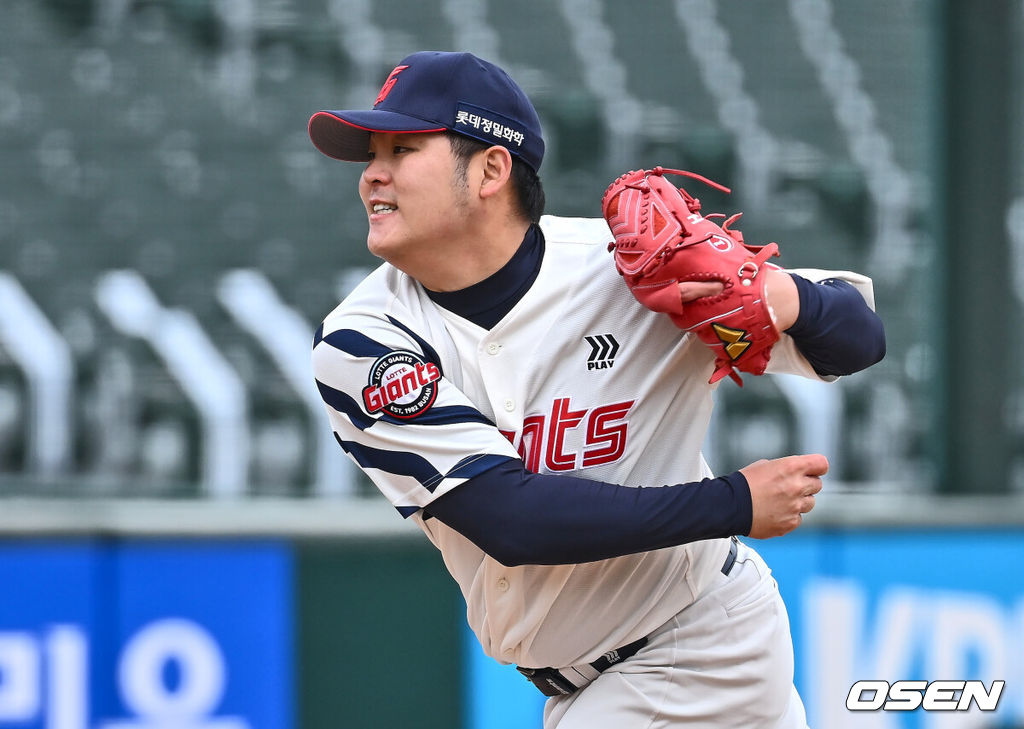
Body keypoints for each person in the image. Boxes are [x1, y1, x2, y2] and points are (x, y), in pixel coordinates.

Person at [307, 51, 884, 729]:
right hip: (600, 681)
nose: (372, 174)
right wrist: (734, 501)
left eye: (402, 148)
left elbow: (857, 338)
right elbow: (511, 518)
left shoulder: (628, 269)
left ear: (491, 169)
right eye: (372, 152)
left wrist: (769, 292)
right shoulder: (362, 342)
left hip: (694, 647)